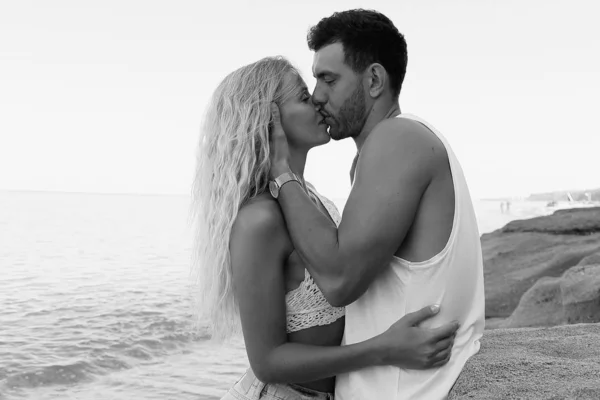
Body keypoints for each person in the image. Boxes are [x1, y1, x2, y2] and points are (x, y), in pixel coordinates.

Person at [191, 56, 460, 400]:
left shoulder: (316, 200)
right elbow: (268, 362)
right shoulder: (259, 219)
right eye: (303, 98)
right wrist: (384, 349)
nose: (319, 101)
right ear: (267, 119)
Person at [268, 9, 485, 400]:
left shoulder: (397, 139)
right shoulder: (393, 147)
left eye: (328, 80)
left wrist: (281, 172)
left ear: (373, 80)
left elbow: (339, 281)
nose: (317, 96)